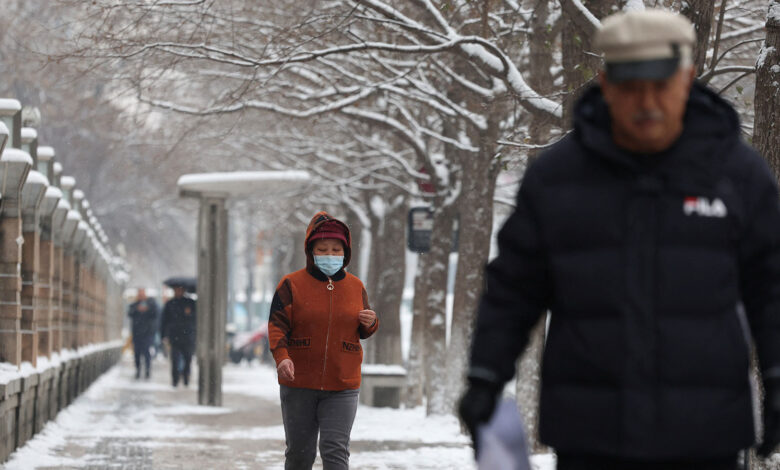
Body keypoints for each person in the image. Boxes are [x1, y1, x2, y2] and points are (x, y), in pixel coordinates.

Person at [458, 9, 780, 470]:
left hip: (705, 433)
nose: (646, 103)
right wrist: (485, 376)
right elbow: (513, 288)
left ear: (687, 79)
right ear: (606, 84)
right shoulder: (556, 178)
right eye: (631, 88)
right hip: (590, 435)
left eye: (661, 85)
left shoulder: (737, 175)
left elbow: (771, 285)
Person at [268, 211, 379, 470]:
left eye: (335, 249)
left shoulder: (355, 287)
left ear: (345, 251)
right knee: (299, 454)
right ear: (311, 251)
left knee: (335, 450)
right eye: (323, 249)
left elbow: (364, 328)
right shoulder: (291, 284)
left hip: (342, 384)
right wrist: (282, 357)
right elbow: (277, 326)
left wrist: (371, 322)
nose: (330, 255)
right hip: (299, 382)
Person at [160, 284, 196, 387]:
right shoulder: (170, 304)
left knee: (188, 358)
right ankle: (175, 380)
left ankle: (186, 378)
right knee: (175, 359)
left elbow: (196, 318)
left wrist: (189, 314)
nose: (178, 292)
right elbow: (164, 320)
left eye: (180, 290)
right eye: (176, 290)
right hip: (174, 336)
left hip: (188, 336)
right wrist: (163, 335)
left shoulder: (191, 303)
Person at [127, 288, 159, 379]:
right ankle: (138, 370)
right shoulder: (134, 305)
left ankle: (148, 370)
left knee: (147, 352)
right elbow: (129, 313)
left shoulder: (151, 304)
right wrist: (137, 309)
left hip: (147, 334)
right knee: (137, 353)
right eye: (139, 294)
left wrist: (147, 309)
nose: (141, 296)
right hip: (137, 333)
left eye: (142, 294)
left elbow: (155, 313)